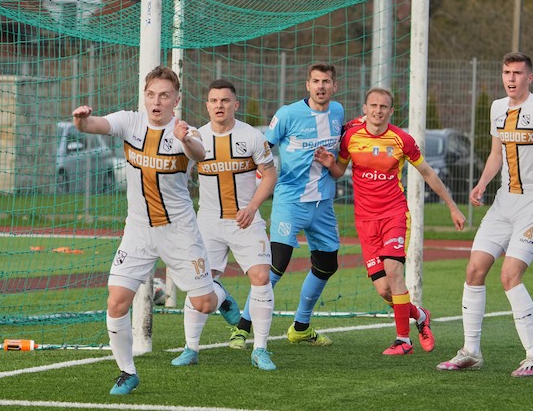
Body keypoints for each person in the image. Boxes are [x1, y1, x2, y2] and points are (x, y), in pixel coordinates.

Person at [72, 66, 239, 396]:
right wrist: (81, 120)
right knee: (116, 303)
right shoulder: (130, 122)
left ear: (176, 100)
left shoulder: (186, 132)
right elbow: (93, 125)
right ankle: (127, 372)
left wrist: (184, 138)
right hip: (138, 231)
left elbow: (200, 153)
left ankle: (219, 294)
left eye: (164, 95)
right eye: (151, 95)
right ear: (144, 96)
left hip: (179, 232)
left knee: (204, 303)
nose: (156, 101)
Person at [436, 52, 533, 378]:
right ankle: (470, 352)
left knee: (509, 275)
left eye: (517, 73)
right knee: (474, 269)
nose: (511, 78)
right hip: (504, 201)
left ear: (530, 77)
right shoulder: (497, 108)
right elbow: (495, 154)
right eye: (506, 72)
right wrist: (482, 183)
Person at [314, 87, 466, 355]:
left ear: (391, 111)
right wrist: (329, 164)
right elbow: (340, 171)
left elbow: (428, 173)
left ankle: (403, 340)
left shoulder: (401, 140)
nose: (378, 111)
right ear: (365, 109)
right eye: (373, 106)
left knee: (394, 270)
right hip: (365, 221)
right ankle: (420, 316)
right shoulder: (351, 137)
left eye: (383, 107)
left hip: (394, 215)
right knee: (385, 290)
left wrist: (452, 207)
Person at [229, 63, 344, 347]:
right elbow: (262, 149)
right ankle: (242, 328)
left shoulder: (338, 112)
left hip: (323, 205)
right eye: (315, 81)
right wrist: (252, 185)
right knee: (275, 267)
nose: (320, 86)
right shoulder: (287, 114)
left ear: (334, 86)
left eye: (326, 81)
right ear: (307, 85)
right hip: (290, 202)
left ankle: (301, 327)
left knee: (327, 265)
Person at [170, 79, 278, 371]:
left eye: (225, 100)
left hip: (246, 221)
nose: (220, 105)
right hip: (207, 223)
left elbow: (269, 175)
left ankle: (260, 349)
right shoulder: (196, 139)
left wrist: (252, 208)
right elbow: (177, 177)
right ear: (207, 106)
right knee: (200, 284)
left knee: (261, 277)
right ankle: (191, 348)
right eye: (214, 101)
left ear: (235, 105)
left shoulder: (252, 136)